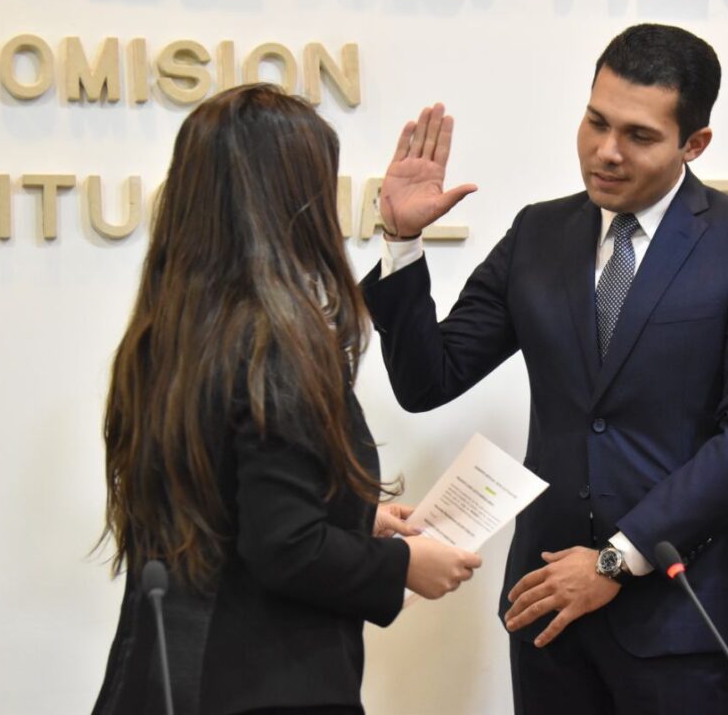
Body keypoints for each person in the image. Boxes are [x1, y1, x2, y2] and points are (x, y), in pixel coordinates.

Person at [362, 24, 728, 714]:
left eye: (639, 135)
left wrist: (615, 562)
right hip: (545, 606)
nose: (606, 152)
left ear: (695, 145)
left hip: (679, 613)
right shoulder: (540, 233)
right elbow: (429, 380)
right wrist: (401, 241)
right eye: (596, 121)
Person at [91, 83, 481, 715]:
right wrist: (402, 565)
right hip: (262, 683)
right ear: (290, 202)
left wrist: (353, 515)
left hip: (160, 674)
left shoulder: (167, 334)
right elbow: (287, 549)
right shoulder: (276, 345)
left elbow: (232, 501)